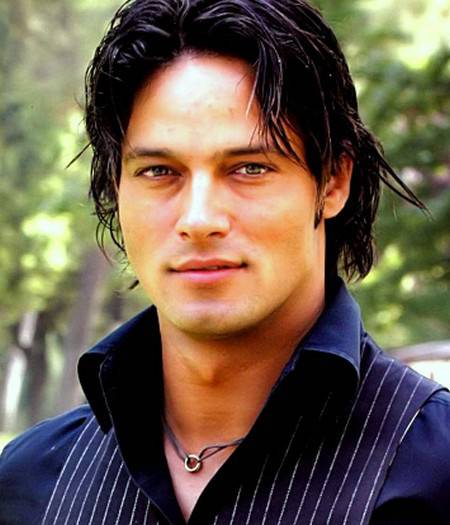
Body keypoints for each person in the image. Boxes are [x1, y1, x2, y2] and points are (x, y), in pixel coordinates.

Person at [1, 0, 449, 523]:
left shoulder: (434, 472)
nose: (199, 219)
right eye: (159, 171)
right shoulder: (30, 483)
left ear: (333, 181)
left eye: (250, 168)